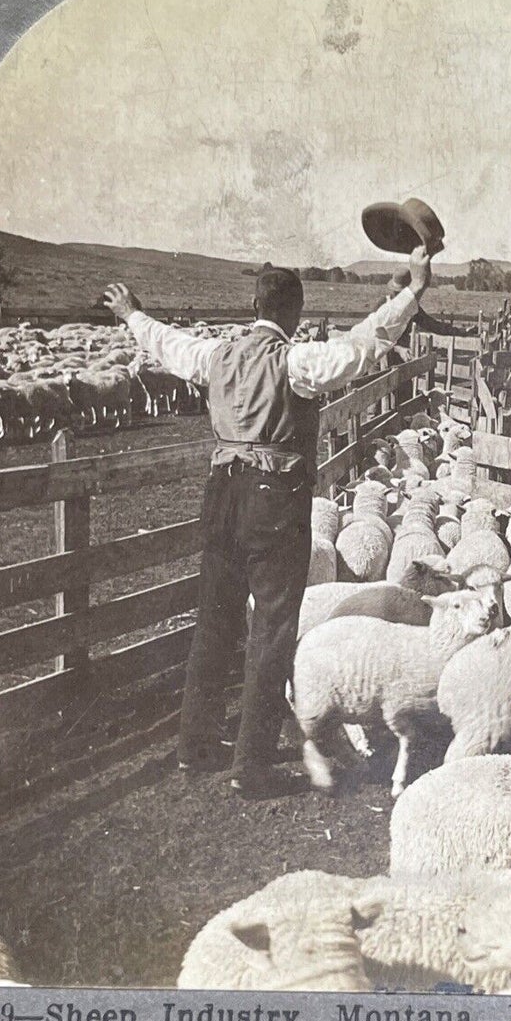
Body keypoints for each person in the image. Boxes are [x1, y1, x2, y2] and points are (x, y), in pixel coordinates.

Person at [99, 247, 432, 797]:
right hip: (273, 499)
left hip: (222, 492)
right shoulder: (293, 362)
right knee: (273, 627)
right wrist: (411, 294)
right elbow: (361, 349)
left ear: (253, 304)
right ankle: (250, 766)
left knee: (214, 618)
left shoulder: (216, 354)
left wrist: (133, 312)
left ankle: (195, 743)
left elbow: (166, 342)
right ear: (295, 314)